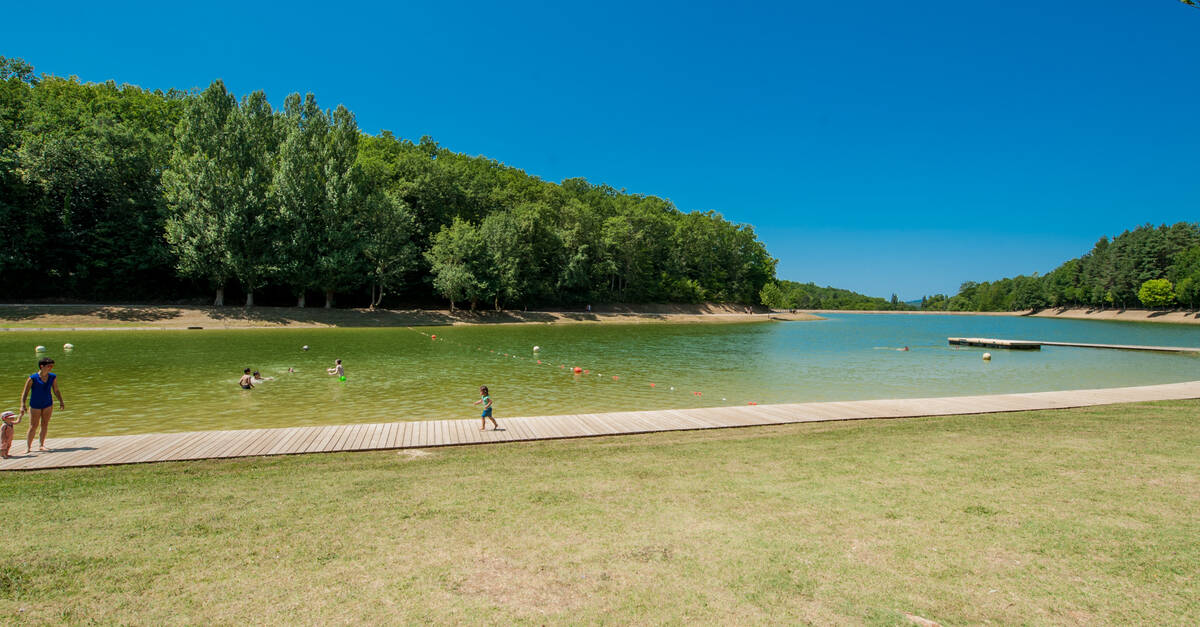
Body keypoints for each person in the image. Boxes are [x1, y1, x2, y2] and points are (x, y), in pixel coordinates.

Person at [20, 357, 64, 453]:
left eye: (52, 366)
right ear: (42, 366)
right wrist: (22, 405)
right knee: (33, 426)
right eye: (49, 366)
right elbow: (25, 392)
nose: (51, 368)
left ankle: (41, 445)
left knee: (45, 424)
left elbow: (56, 390)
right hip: (35, 404)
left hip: (48, 403)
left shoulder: (53, 377)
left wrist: (61, 401)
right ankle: (28, 447)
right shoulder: (33, 378)